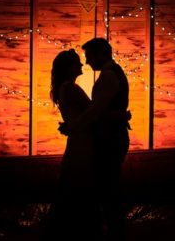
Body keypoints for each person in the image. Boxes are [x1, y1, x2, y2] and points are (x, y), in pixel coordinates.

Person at [59, 38, 130, 240]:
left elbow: (95, 112)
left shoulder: (108, 76)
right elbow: (97, 111)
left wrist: (72, 126)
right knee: (108, 186)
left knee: (109, 187)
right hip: (109, 137)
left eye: (89, 56)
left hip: (110, 139)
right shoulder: (111, 74)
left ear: (101, 54)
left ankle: (114, 230)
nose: (87, 62)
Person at [42, 49, 100, 240]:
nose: (81, 65)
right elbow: (93, 111)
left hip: (76, 141)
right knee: (80, 189)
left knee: (72, 189)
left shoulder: (63, 89)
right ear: (69, 68)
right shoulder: (71, 89)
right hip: (82, 144)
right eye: (77, 63)